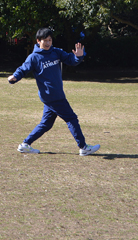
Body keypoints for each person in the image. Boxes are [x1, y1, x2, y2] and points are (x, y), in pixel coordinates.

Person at [7, 28, 100, 156]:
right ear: (38, 41)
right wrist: (14, 77)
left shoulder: (56, 52)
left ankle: (25, 144)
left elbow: (70, 60)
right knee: (72, 119)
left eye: (50, 40)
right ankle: (83, 147)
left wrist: (78, 57)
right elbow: (23, 69)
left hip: (54, 96)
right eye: (45, 40)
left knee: (46, 124)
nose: (48, 43)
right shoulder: (34, 57)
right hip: (52, 96)